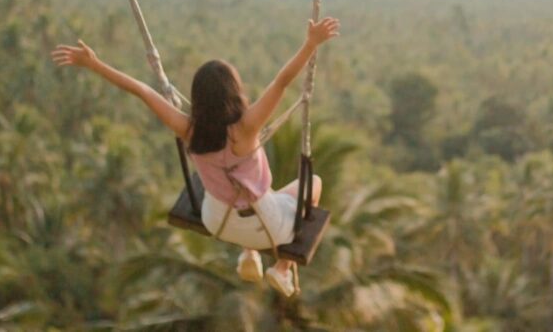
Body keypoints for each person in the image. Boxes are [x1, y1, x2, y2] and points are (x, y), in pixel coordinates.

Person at [50, 16, 340, 297]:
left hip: (218, 222)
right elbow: (282, 82)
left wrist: (94, 64)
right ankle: (281, 267)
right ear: (234, 93)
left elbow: (141, 91)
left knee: (245, 193)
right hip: (268, 228)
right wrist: (310, 44)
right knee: (311, 183)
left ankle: (248, 254)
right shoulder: (247, 128)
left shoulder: (188, 129)